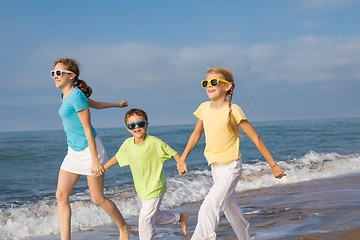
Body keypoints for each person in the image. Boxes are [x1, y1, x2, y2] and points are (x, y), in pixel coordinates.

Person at [180, 67, 286, 240]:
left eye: (214, 82)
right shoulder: (203, 108)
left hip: (231, 167)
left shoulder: (234, 110)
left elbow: (256, 138)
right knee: (231, 210)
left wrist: (273, 165)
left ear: (227, 86)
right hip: (215, 167)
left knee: (210, 205)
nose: (209, 85)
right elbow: (196, 134)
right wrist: (183, 158)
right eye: (205, 83)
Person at [51, 58, 130, 240]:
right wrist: (117, 104)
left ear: (71, 76)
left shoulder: (76, 96)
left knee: (97, 199)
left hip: (90, 150)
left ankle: (124, 227)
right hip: (73, 151)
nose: (55, 76)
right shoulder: (66, 95)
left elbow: (87, 129)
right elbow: (95, 104)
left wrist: (95, 161)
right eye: (53, 73)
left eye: (59, 73)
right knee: (61, 195)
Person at [103, 108, 188, 240]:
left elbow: (174, 153)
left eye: (140, 124)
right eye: (132, 125)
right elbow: (118, 157)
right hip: (142, 189)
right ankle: (180, 217)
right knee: (155, 217)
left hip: (155, 187)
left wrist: (180, 163)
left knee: (144, 220)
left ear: (147, 124)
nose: (136, 127)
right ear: (127, 128)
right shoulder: (128, 144)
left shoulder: (155, 142)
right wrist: (103, 168)